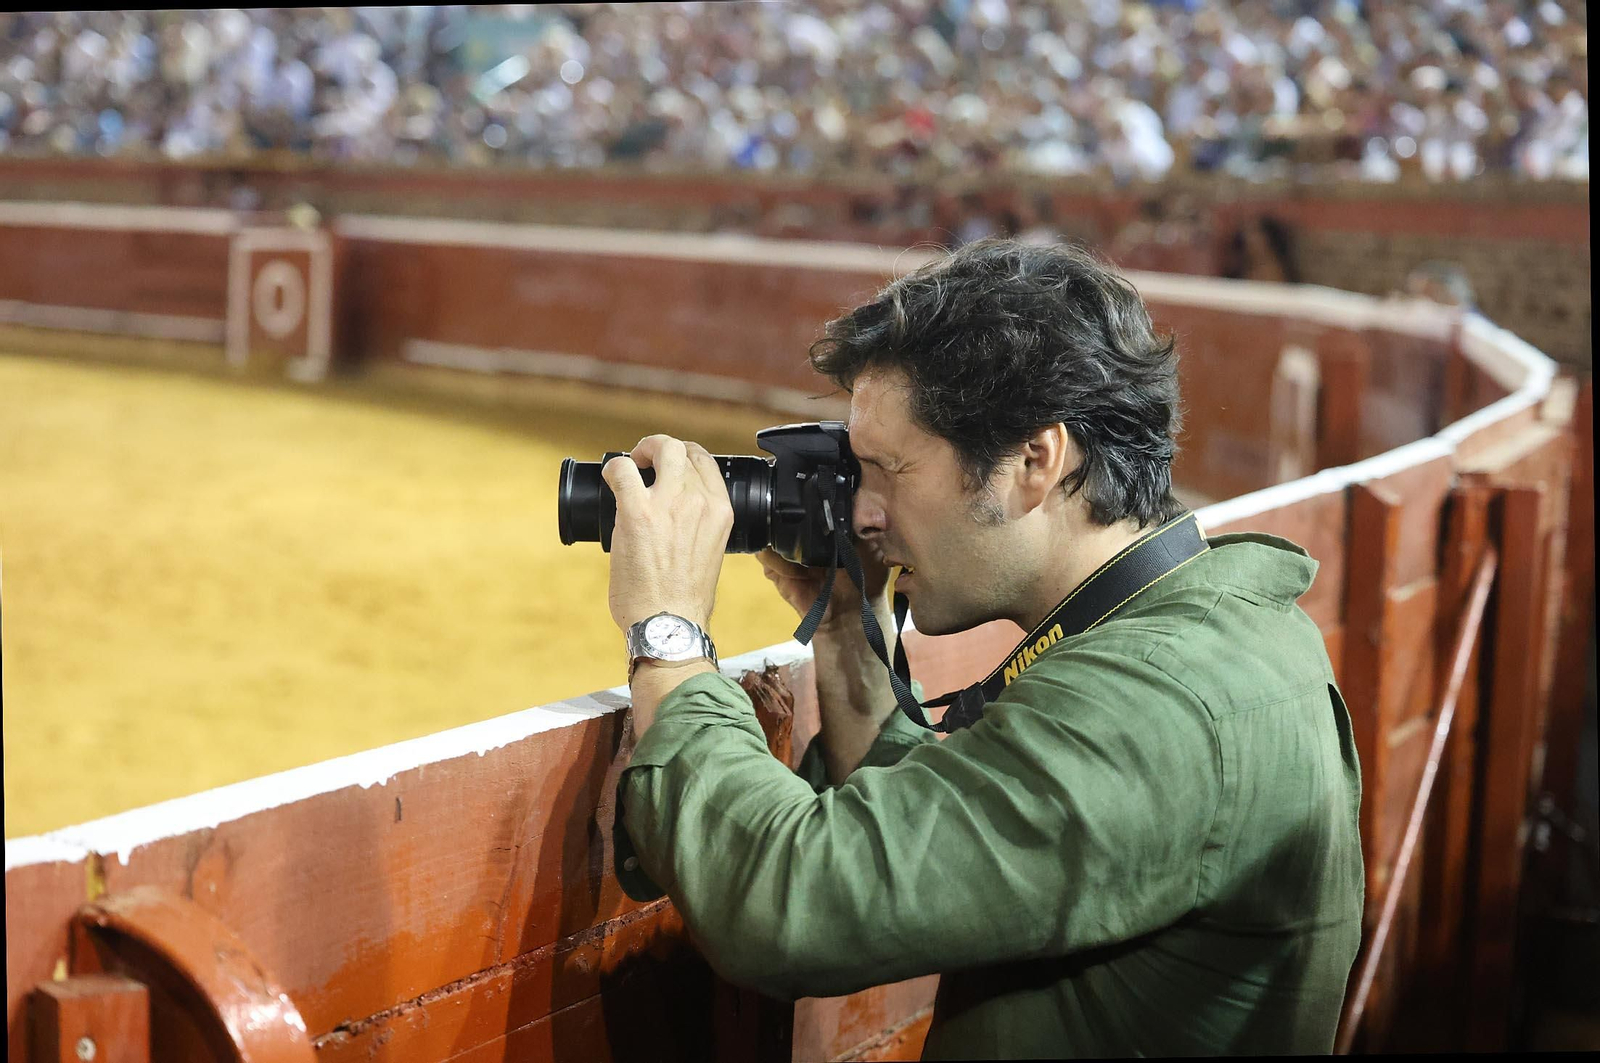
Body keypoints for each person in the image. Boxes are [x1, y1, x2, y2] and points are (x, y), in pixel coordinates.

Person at [599, 239, 1364, 1058]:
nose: (864, 513)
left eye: (890, 470)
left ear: (1035, 460)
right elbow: (959, 846)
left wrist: (669, 633)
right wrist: (847, 629)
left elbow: (795, 902)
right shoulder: (1201, 632)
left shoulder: (1157, 702)